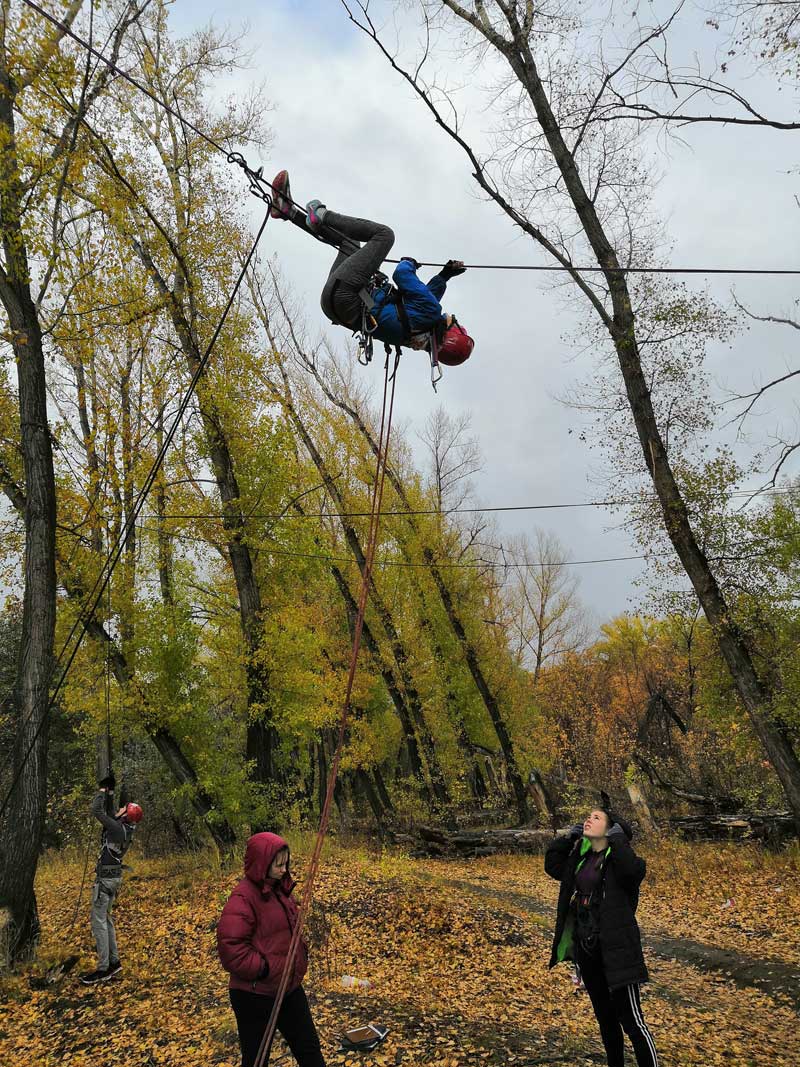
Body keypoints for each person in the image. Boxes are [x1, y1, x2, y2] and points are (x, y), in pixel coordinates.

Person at [269, 169, 474, 365]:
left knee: (385, 236)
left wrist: (408, 263)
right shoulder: (418, 335)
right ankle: (287, 210)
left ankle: (322, 216)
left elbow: (402, 274)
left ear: (453, 332)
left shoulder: (430, 312)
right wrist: (444, 277)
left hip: (346, 295)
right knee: (349, 241)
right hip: (336, 307)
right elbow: (422, 299)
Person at [545, 808, 658, 1067]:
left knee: (632, 1021)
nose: (588, 819)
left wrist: (618, 838)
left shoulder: (621, 861)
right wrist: (568, 838)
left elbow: (632, 872)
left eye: (596, 818)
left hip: (617, 950)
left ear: (609, 830)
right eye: (588, 817)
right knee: (606, 1019)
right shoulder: (581, 859)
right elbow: (552, 865)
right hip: (588, 949)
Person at [217, 832, 326, 1067]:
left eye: (286, 863)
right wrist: (265, 968)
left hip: (288, 989)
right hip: (255, 995)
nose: (284, 869)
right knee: (257, 1060)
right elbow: (230, 949)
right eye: (278, 864)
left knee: (310, 1051)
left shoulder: (280, 890)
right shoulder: (243, 898)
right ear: (262, 864)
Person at [79, 775, 143, 984]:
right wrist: (111, 792)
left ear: (126, 815)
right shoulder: (123, 828)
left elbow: (98, 812)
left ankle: (103, 968)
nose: (120, 809)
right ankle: (114, 962)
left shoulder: (117, 829)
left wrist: (102, 790)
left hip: (105, 880)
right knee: (106, 920)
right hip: (113, 878)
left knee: (99, 923)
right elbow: (109, 813)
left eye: (123, 808)